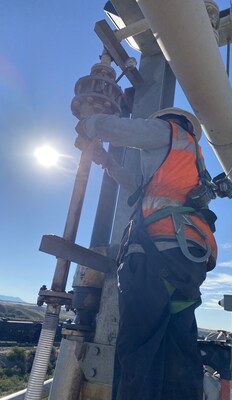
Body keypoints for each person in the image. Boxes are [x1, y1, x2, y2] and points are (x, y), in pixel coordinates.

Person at [76, 107, 219, 400]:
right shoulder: (190, 163)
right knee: (178, 352)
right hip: (188, 263)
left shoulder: (167, 131)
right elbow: (139, 188)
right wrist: (107, 162)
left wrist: (89, 124)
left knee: (138, 351)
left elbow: (123, 130)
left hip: (158, 256)